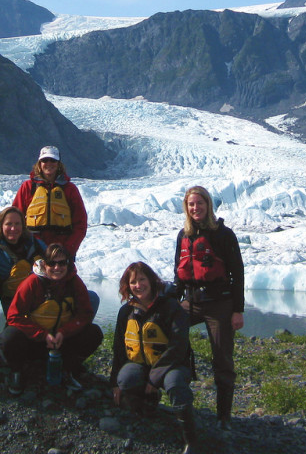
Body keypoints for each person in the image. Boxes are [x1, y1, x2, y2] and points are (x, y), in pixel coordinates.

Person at [174, 186, 244, 431]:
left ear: (208, 205)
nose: (195, 208)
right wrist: (168, 303)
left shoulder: (224, 235)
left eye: (199, 203)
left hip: (219, 303)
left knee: (222, 358)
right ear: (186, 207)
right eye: (191, 204)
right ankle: (171, 392)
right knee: (167, 329)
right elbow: (179, 275)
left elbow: (237, 274)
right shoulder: (184, 235)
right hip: (191, 301)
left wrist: (238, 310)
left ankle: (223, 416)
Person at [111, 262, 197, 453]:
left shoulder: (171, 307)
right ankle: (148, 401)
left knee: (175, 383)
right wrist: (114, 383)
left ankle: (190, 439)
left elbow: (178, 346)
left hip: (172, 365)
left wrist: (154, 377)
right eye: (133, 282)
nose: (138, 285)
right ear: (127, 286)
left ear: (151, 280)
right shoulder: (126, 311)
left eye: (142, 279)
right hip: (141, 364)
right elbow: (118, 348)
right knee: (126, 379)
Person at [0, 243, 103, 395]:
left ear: (68, 263)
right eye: (52, 263)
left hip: (61, 341)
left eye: (62, 263)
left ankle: (67, 369)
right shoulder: (32, 283)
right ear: (44, 264)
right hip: (35, 340)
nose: (57, 268)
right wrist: (42, 334)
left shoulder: (74, 282)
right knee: (8, 338)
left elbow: (85, 314)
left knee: (93, 333)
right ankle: (17, 371)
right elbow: (14, 316)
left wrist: (63, 332)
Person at [12, 146, 87, 258]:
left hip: (61, 250)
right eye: (45, 160)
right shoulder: (28, 187)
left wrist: (68, 249)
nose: (49, 163)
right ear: (39, 163)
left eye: (53, 160)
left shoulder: (69, 189)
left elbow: (80, 224)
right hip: (33, 250)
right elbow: (15, 218)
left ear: (58, 164)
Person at [0, 207, 47, 319]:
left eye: (17, 224)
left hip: (41, 299)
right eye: (9, 224)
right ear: (0, 226)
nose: (13, 228)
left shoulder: (36, 245)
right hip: (13, 302)